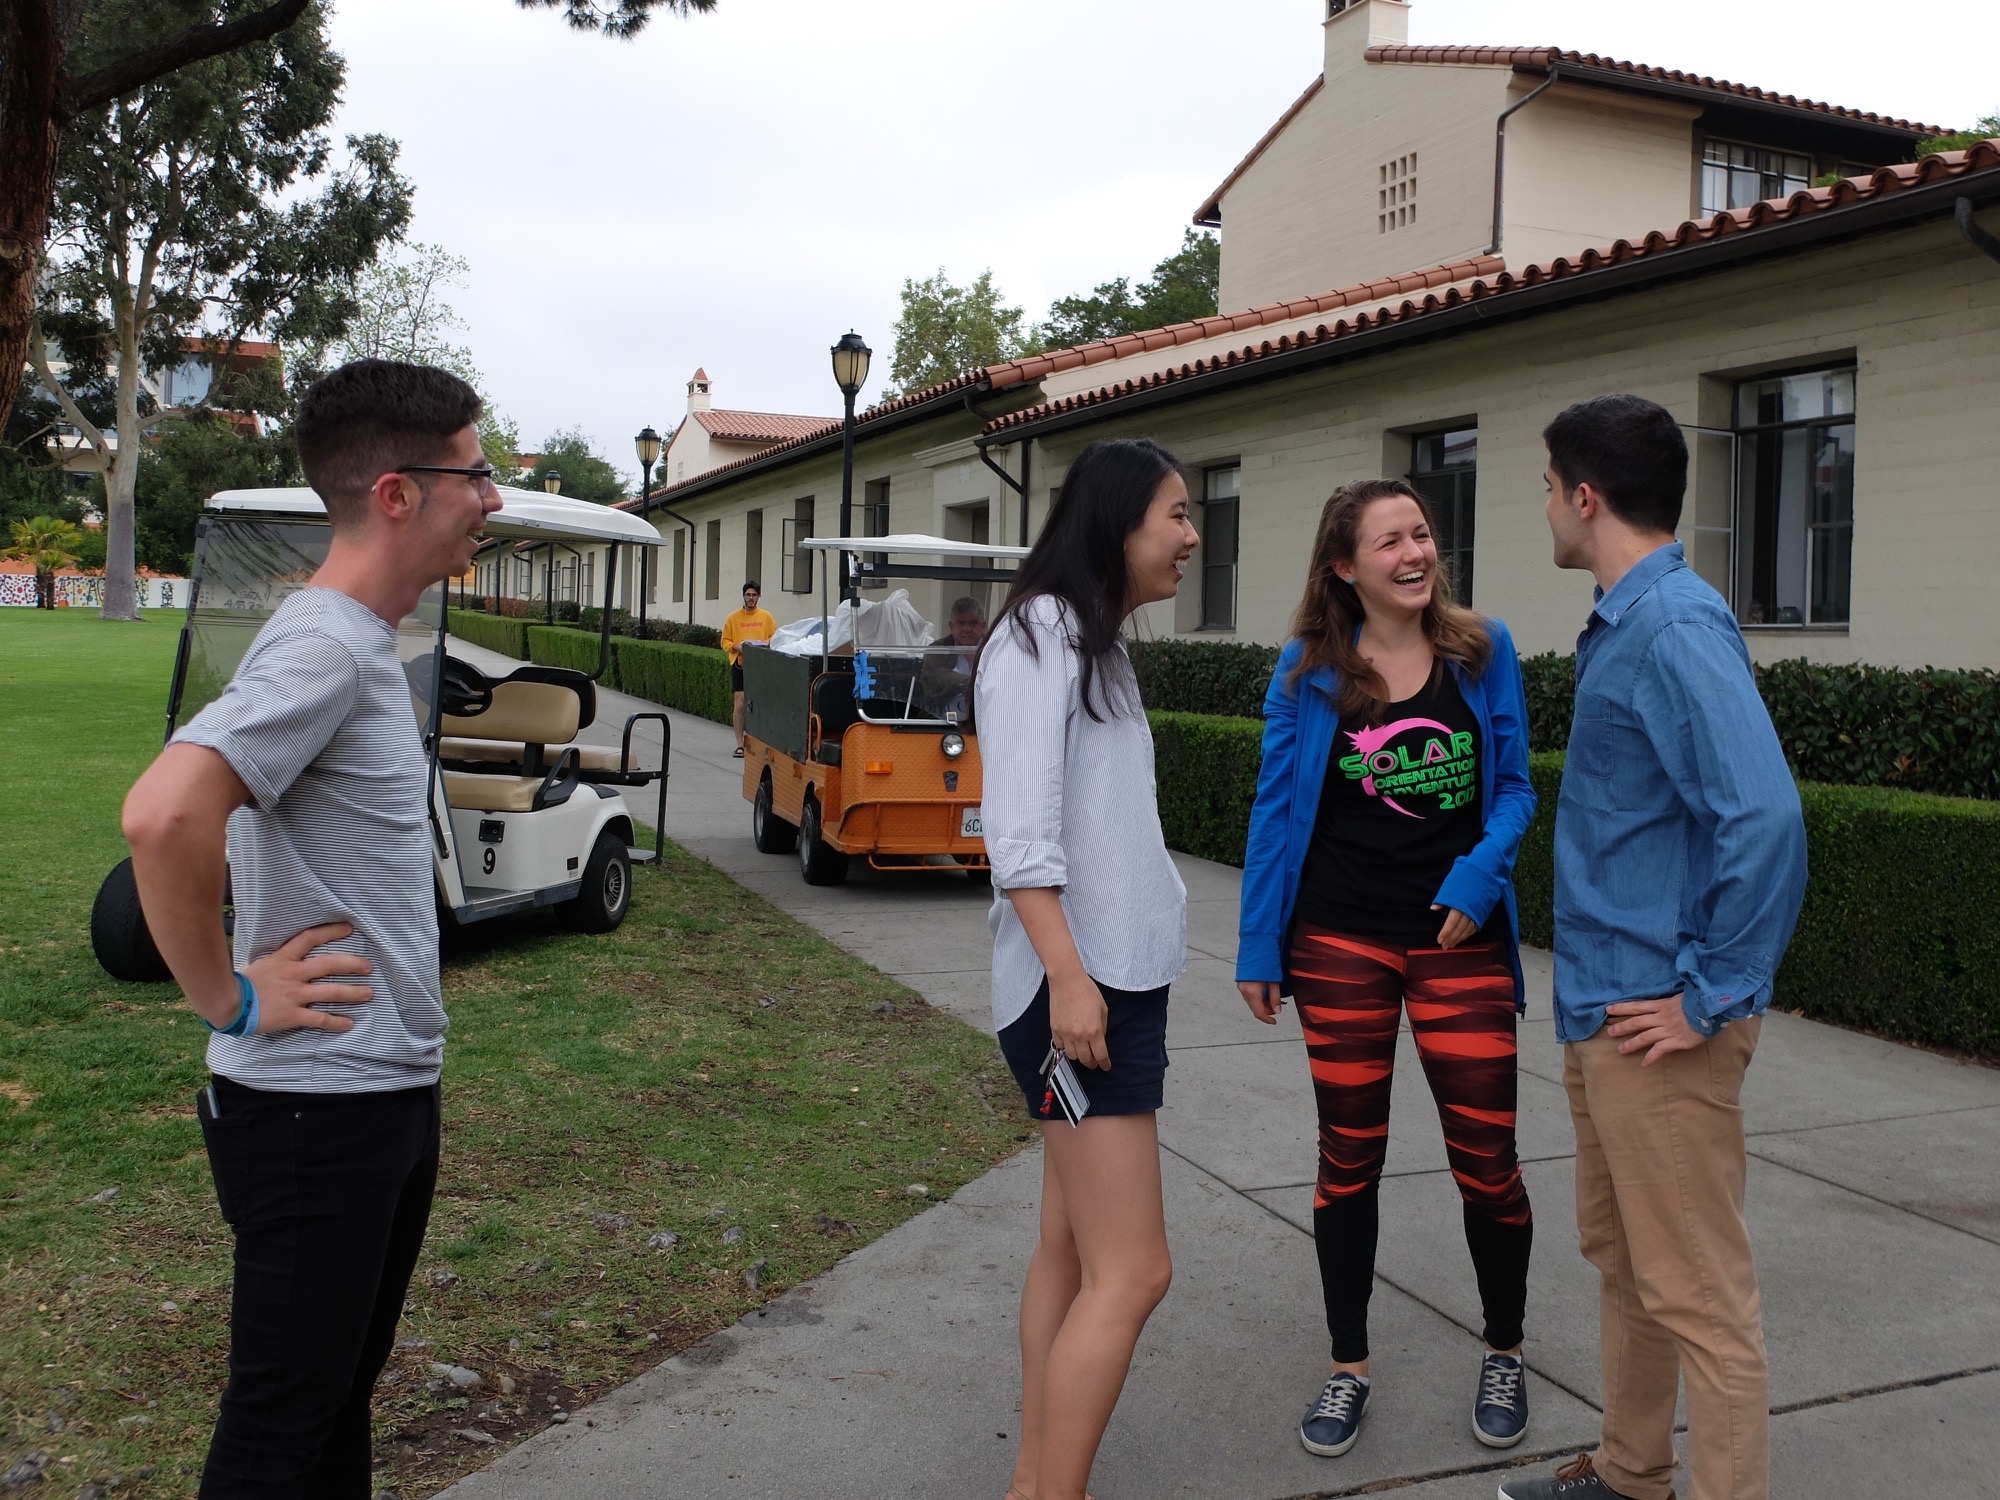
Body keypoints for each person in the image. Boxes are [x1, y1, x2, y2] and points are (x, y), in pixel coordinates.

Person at [121, 358, 501, 1497]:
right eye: (476, 475)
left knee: (330, 1407)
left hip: (374, 1094)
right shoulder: (325, 646)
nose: (492, 498)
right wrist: (227, 998)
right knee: (280, 1430)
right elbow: (164, 814)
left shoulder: (354, 641)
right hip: (314, 1111)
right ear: (397, 492)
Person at [1500, 396, 1807, 1500]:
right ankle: (1632, 1474)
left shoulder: (1672, 624)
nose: (1544, 505)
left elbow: (1762, 818)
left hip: (1658, 1022)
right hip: (1607, 1008)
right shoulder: (1626, 621)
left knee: (1700, 1296)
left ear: (1586, 497)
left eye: (1547, 487)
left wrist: (1709, 994)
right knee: (1629, 1265)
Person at [1236, 479, 1539, 1460]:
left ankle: (1505, 1348)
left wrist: (1480, 876)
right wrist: (1258, 945)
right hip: (1339, 941)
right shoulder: (1306, 669)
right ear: (1343, 566)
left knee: (1487, 1160)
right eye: (1389, 541)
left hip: (1460, 944)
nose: (1414, 553)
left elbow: (1515, 788)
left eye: (1421, 534)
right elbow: (1275, 809)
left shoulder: (1482, 650)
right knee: (1347, 1158)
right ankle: (1348, 1364)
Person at [975, 437, 1198, 1500]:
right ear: (1118, 521)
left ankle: (1036, 1478)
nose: (1191, 535)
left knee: (1068, 1250)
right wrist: (1070, 981)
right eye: (1177, 513)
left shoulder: (1090, 639)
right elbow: (1018, 838)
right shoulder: (1041, 635)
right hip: (1082, 995)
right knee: (1135, 1269)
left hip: (1104, 983)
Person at [721, 580, 777, 756]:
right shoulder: (733, 618)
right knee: (740, 705)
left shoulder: (766, 617)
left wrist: (765, 643)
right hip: (740, 665)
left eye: (754, 595)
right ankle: (740, 744)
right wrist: (737, 647)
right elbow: (725, 641)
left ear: (758, 597)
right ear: (743, 596)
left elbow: (775, 638)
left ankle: (758, 743)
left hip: (761, 666)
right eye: (748, 595)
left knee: (760, 705)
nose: (751, 598)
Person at [918, 594, 987, 719]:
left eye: (973, 623)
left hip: (987, 719)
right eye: (961, 623)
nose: (967, 629)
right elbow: (936, 677)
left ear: (983, 626)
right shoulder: (937, 649)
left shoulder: (993, 648)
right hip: (942, 721)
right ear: (951, 626)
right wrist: (974, 683)